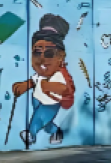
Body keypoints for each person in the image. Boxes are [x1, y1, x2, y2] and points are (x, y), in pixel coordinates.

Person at [12, 13, 75, 146]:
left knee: (39, 118)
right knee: (46, 125)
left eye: (49, 54)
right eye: (37, 52)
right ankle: (55, 131)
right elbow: (34, 80)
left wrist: (50, 86)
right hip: (37, 99)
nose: (42, 58)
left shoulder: (59, 74)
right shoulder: (42, 74)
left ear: (61, 56)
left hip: (51, 103)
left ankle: (31, 134)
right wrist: (24, 85)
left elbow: (66, 89)